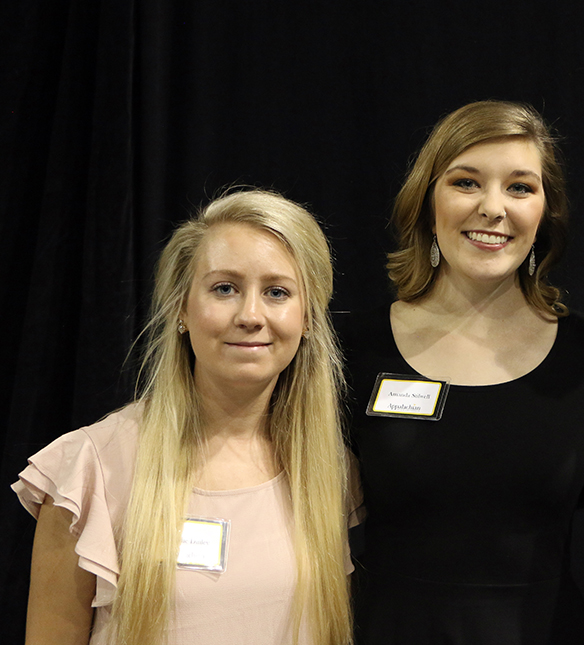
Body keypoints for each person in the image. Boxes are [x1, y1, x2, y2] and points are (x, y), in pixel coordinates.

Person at [13, 190, 356, 644]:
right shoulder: (89, 469)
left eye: (277, 292)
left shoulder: (331, 470)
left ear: (308, 317)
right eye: (224, 288)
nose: (251, 315)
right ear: (181, 307)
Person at [340, 100, 584, 644]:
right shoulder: (350, 350)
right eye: (467, 182)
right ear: (427, 202)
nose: (494, 208)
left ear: (545, 212)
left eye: (520, 187)